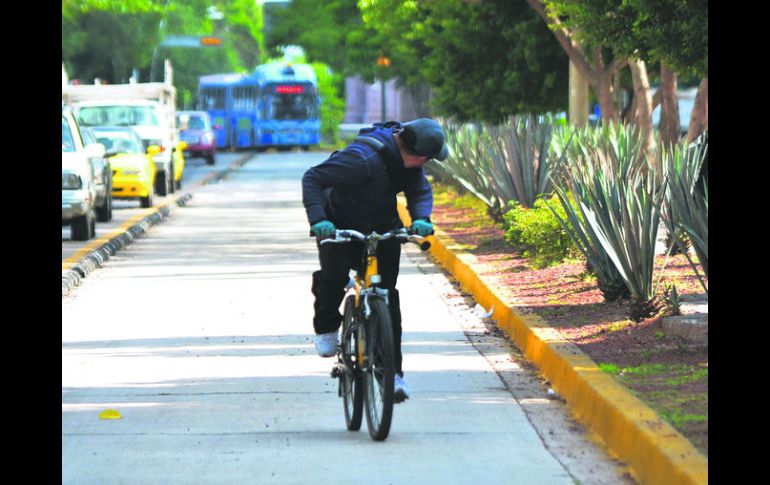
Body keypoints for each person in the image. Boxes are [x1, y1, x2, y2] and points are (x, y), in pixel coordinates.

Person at [301, 118, 448, 402]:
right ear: (419, 155)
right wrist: (318, 219)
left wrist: (421, 218)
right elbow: (313, 178)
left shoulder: (408, 165)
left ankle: (391, 375)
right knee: (334, 277)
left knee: (388, 298)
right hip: (338, 224)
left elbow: (419, 191)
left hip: (381, 225)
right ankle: (327, 325)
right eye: (427, 160)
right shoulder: (361, 160)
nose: (426, 164)